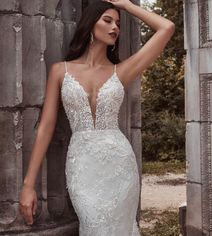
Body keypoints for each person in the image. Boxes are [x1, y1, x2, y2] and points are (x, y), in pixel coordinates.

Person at [19, 0, 175, 235]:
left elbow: (167, 27)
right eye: (108, 20)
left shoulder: (121, 71)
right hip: (82, 166)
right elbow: (46, 126)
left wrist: (126, 5)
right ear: (91, 24)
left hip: (120, 166)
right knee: (94, 225)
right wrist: (28, 185)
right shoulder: (60, 71)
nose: (115, 28)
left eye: (118, 23)